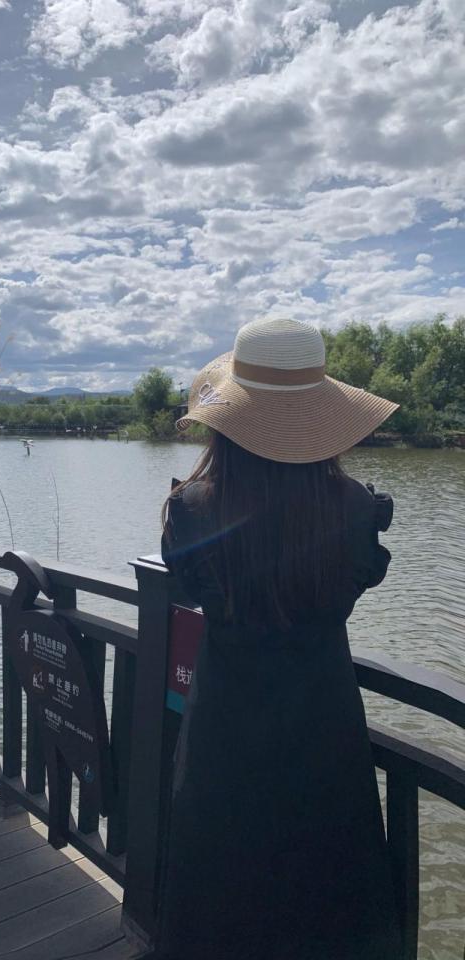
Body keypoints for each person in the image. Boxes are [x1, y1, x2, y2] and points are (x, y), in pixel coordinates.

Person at [157, 318, 402, 960]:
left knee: (218, 903)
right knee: (326, 902)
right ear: (323, 418)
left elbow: (186, 587)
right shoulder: (357, 509)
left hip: (223, 736)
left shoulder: (192, 508)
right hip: (326, 733)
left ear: (230, 419)